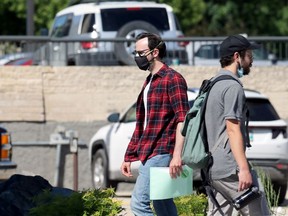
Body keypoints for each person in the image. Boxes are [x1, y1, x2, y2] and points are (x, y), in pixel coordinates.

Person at [120, 32, 189, 216]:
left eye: (141, 53)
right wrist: (129, 155)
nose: (137, 57)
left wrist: (177, 156)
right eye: (136, 53)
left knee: (138, 204)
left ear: (155, 52)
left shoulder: (173, 79)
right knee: (162, 205)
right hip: (149, 151)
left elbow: (183, 119)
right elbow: (144, 123)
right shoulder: (149, 80)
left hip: (162, 152)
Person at [205, 34, 270, 215]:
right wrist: (243, 169)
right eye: (249, 54)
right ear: (237, 56)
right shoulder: (232, 87)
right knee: (259, 212)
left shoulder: (212, 84)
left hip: (213, 167)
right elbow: (232, 129)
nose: (252, 60)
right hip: (230, 168)